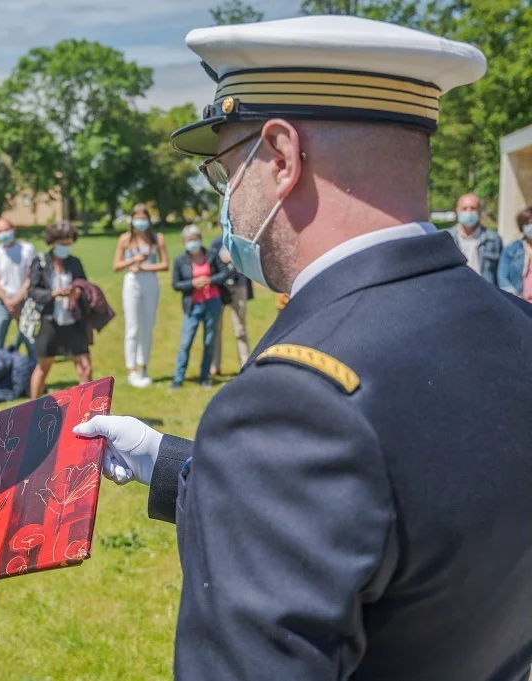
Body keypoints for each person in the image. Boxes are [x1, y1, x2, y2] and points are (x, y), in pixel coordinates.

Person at [75, 16, 531, 681]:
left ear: (282, 157)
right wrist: (179, 466)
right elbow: (396, 498)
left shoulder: (293, 399)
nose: (227, 204)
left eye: (226, 170)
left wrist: (246, 458)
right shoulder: (513, 324)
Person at [29, 221, 92, 398]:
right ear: (53, 241)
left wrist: (76, 293)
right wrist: (53, 294)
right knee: (43, 368)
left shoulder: (75, 263)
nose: (66, 247)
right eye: (62, 243)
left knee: (85, 369)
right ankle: (32, 411)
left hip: (72, 321)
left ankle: (87, 414)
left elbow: (85, 286)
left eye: (69, 243)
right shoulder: (40, 262)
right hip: (50, 321)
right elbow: (33, 291)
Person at [112, 203, 168, 387]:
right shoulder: (125, 239)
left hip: (150, 280)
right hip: (132, 281)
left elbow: (164, 264)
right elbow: (116, 265)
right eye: (137, 219)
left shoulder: (156, 238)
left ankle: (143, 365)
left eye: (143, 219)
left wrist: (145, 266)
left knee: (147, 325)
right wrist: (133, 260)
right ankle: (131, 369)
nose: (140, 222)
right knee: (133, 326)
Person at [170, 225, 229, 390]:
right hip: (192, 305)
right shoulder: (180, 260)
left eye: (195, 239)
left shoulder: (211, 255)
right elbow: (176, 284)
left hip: (212, 302)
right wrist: (193, 283)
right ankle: (178, 377)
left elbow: (224, 273)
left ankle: (205, 377)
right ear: (184, 242)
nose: (193, 243)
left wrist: (209, 280)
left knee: (209, 340)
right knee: (186, 341)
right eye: (189, 240)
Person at [0, 217, 35, 361]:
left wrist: (18, 299)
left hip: (25, 301)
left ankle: (35, 379)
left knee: (30, 341)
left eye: (7, 229)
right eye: (0, 231)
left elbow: (30, 277)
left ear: (13, 230)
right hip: (2, 303)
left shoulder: (27, 249)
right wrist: (8, 301)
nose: (4, 234)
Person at [207, 234, 252, 375]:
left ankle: (245, 363)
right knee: (216, 328)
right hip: (220, 289)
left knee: (240, 329)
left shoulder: (240, 241)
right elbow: (211, 264)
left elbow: (250, 262)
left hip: (238, 286)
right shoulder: (216, 243)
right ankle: (215, 364)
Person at [447, 193, 501, 284]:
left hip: (484, 291)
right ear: (457, 210)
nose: (468, 212)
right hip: (456, 289)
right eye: (464, 209)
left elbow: (499, 272)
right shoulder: (447, 238)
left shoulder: (493, 238)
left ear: (479, 211)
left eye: (473, 208)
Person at [498, 206, 532, 302]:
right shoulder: (511, 250)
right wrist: (514, 297)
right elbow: (502, 275)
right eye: (528, 224)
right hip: (520, 302)